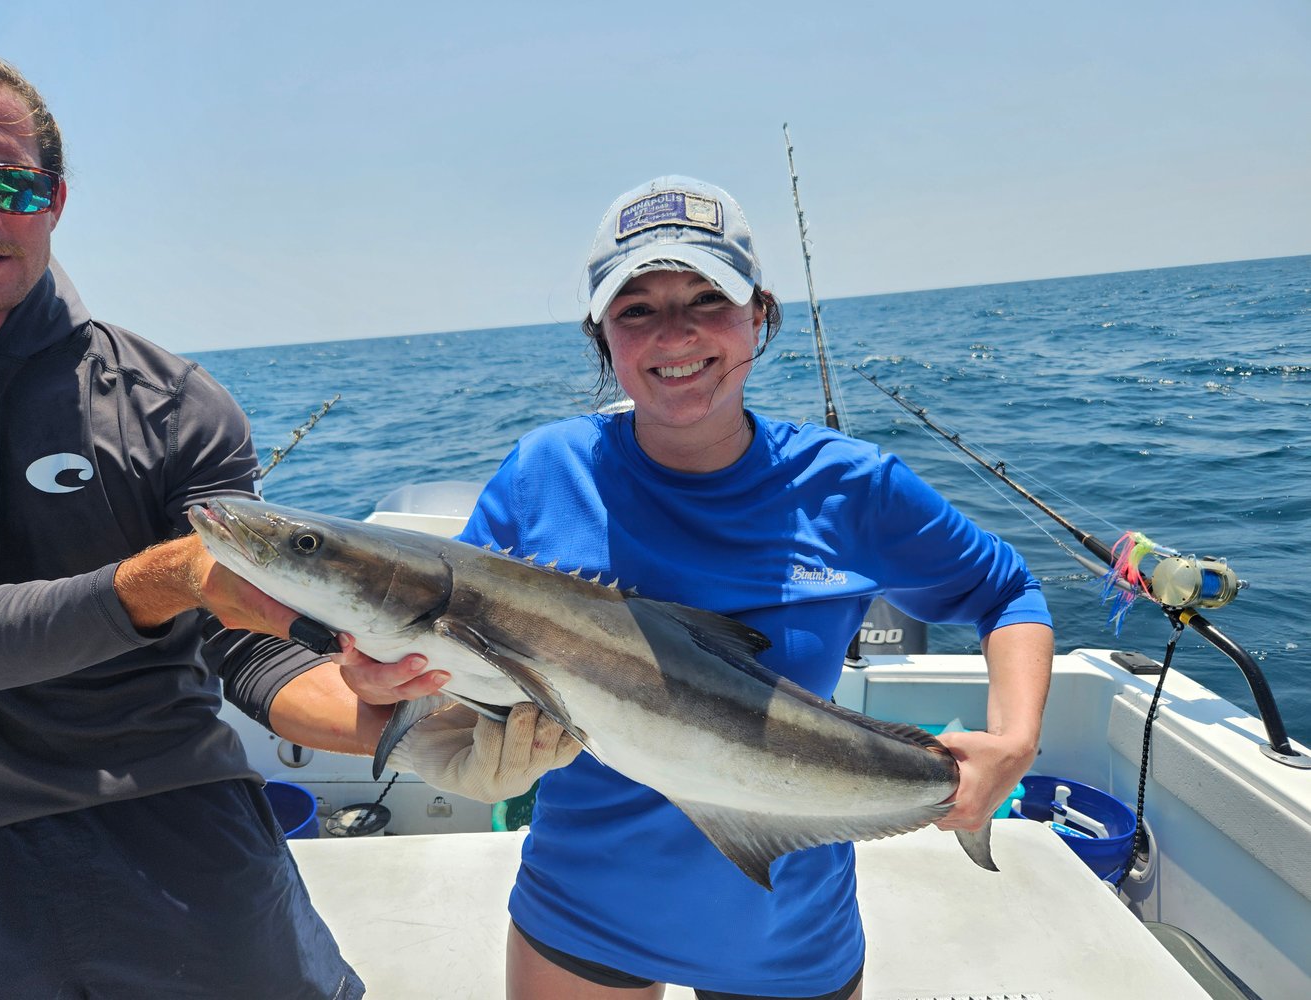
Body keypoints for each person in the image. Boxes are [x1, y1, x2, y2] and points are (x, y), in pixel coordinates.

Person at [371, 175, 1055, 999]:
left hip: (788, 928)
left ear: (758, 316)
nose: (676, 334)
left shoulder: (851, 486)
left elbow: (1004, 592)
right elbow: (454, 667)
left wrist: (1012, 742)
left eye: (707, 298)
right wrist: (398, 694)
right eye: (638, 309)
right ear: (603, 336)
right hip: (579, 909)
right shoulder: (544, 473)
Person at [0, 50, 469, 999]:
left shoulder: (173, 404)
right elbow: (180, 586)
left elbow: (247, 652)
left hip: (169, 809)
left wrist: (402, 718)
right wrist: (153, 584)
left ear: (58, 200)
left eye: (9, 184)